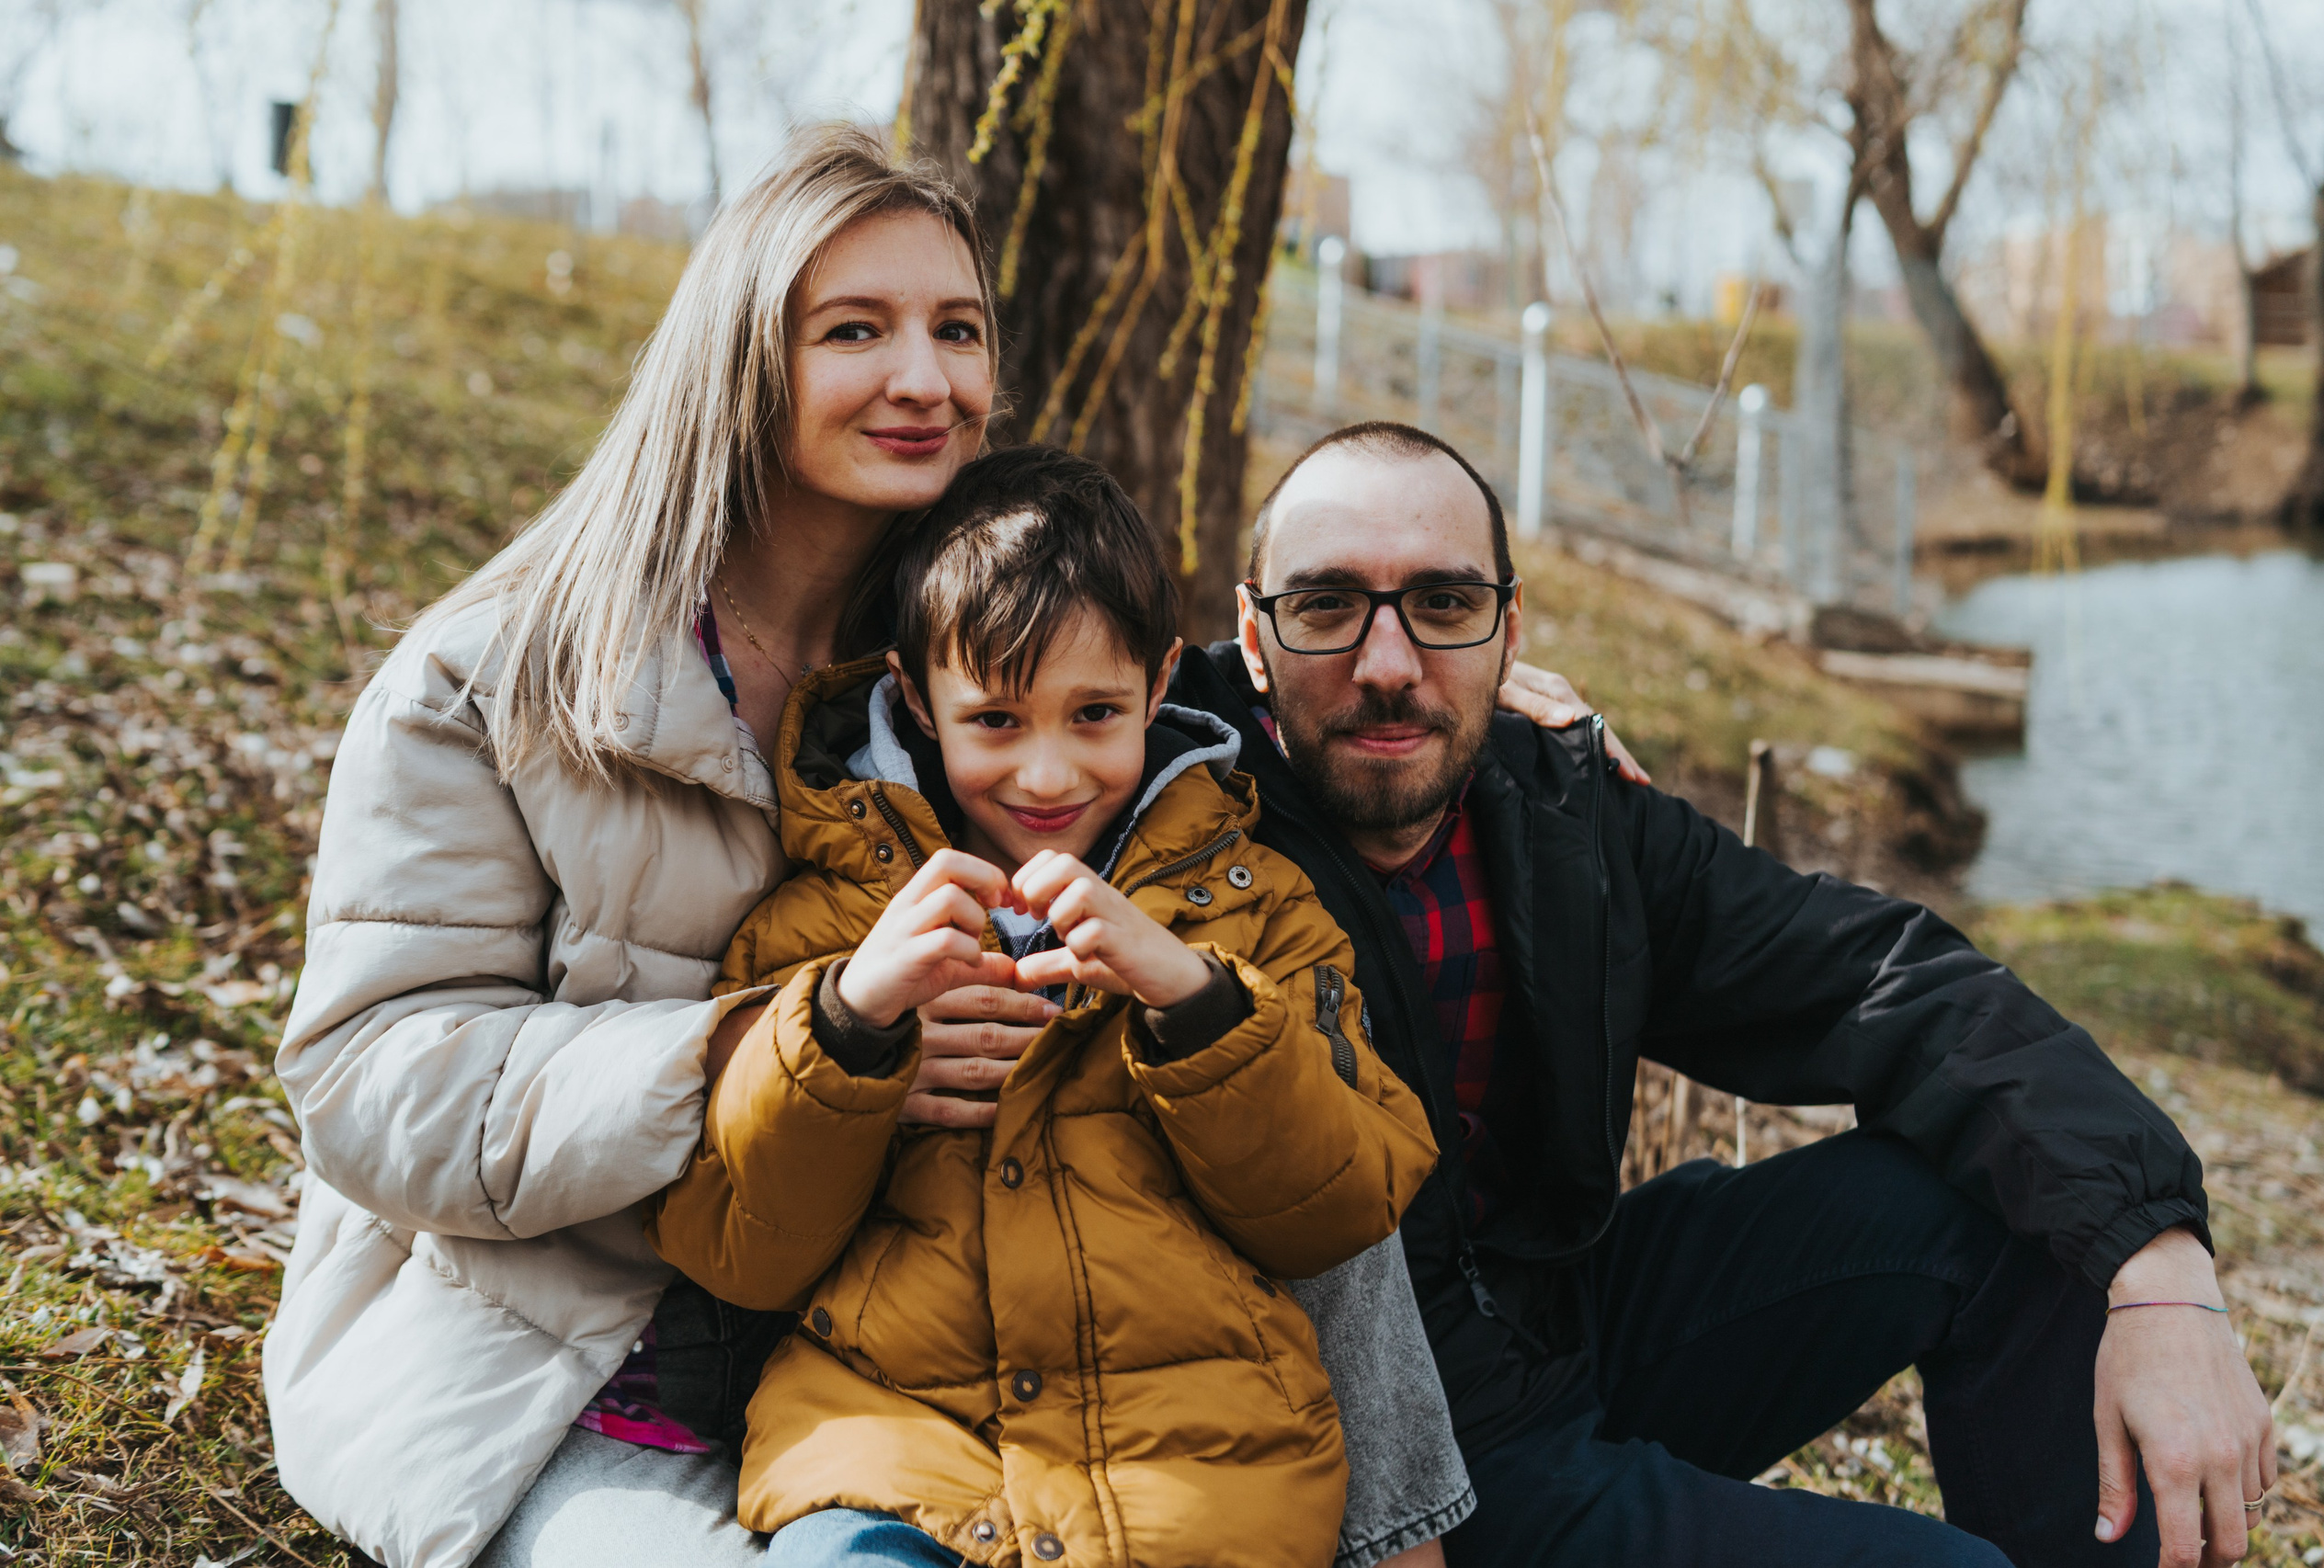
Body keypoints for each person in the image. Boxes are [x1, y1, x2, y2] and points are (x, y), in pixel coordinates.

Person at [268, 132, 1531, 1568]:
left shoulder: (962, 640)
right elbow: (369, 1085)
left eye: (959, 328)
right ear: (741, 358)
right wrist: (785, 1042)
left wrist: (1485, 674)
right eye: (855, 329)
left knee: (1250, 1021)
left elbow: (1182, 688)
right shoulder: (500, 678)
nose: (925, 377)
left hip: (930, 1350)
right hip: (579, 1370)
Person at [1145, 419, 2276, 1568]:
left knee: (2022, 1193)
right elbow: (1000, 716)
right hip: (1368, 1455)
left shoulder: (1559, 815)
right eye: (1328, 605)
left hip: (1562, 1332)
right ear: (1249, 633)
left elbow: (1881, 980)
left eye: (1442, 605)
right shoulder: (1155, 828)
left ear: (1508, 626)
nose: (1388, 665)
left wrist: (2161, 1261)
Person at [646, 446, 1439, 1568]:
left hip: (1195, 1489)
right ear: (916, 697)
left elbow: (1343, 1203)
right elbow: (735, 1244)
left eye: (1096, 712)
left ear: (1161, 685)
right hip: (892, 1462)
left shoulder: (1253, 909)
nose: (1048, 774)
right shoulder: (833, 914)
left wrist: (1195, 1001)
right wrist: (850, 1026)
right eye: (998, 721)